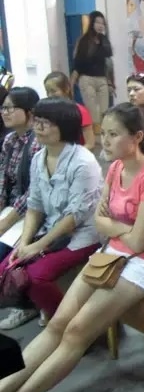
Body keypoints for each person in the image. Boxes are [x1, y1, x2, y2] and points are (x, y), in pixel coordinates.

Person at [0, 102, 144, 392]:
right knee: (58, 323)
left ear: (137, 137)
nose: (104, 141)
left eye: (113, 134)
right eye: (103, 133)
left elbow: (138, 244)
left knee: (75, 332)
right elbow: (100, 221)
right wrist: (124, 229)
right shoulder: (116, 167)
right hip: (114, 251)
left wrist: (119, 229)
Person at [0, 97, 102, 333]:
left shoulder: (83, 162)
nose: (37, 127)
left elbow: (74, 217)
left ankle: (68, 327)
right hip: (52, 229)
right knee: (7, 267)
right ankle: (40, 309)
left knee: (37, 277)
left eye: (45, 123)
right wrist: (24, 243)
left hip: (83, 235)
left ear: (64, 127)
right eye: (37, 120)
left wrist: (38, 246)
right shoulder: (39, 158)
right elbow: (34, 205)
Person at [0, 87, 42, 331]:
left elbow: (34, 192)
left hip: (32, 211)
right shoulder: (9, 140)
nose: (5, 112)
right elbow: (3, 180)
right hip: (12, 209)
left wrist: (6, 222)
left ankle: (25, 305)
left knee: (6, 252)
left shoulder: (37, 143)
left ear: (29, 112)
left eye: (10, 108)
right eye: (3, 107)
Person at [70, 10, 113, 134]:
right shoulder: (84, 41)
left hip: (102, 79)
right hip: (87, 79)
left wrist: (110, 82)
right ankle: (94, 138)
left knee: (105, 112)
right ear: (92, 23)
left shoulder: (104, 41)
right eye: (97, 22)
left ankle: (104, 137)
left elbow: (108, 64)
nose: (100, 25)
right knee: (93, 113)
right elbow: (77, 64)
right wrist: (71, 85)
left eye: (102, 23)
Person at [44, 72, 96, 150]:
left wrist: (71, 155)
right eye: (47, 91)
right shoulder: (48, 112)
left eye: (53, 91)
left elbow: (90, 144)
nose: (50, 95)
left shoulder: (80, 111)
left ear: (67, 89)